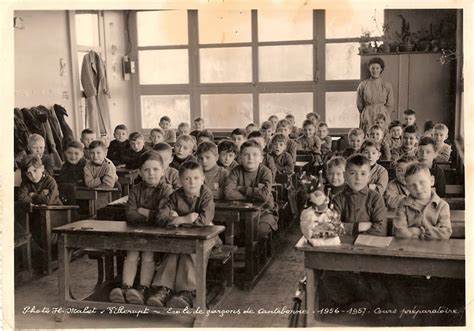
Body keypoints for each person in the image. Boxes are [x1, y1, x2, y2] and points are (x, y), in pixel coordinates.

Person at [147, 161, 219, 308]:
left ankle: (186, 292)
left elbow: (204, 220)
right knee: (173, 251)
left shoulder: (206, 194)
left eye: (196, 178)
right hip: (181, 236)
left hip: (207, 238)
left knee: (189, 251)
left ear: (203, 178)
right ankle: (164, 290)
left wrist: (174, 220)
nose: (192, 182)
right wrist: (183, 219)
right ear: (180, 180)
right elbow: (160, 218)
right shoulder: (174, 196)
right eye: (187, 179)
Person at [109, 151, 174, 304]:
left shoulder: (167, 190)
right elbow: (130, 215)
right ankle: (126, 287)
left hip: (158, 235)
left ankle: (143, 288)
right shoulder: (135, 189)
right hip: (136, 232)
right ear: (140, 172)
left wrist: (143, 211)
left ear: (163, 170)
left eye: (155, 169)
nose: (151, 173)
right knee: (131, 252)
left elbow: (161, 217)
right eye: (146, 170)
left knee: (148, 253)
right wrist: (151, 214)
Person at [224, 139, 278, 238]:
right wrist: (254, 196)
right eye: (246, 155)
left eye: (255, 154)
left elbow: (264, 196)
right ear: (240, 157)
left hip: (264, 212)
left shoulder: (265, 172)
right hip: (241, 212)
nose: (250, 158)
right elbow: (228, 193)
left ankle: (258, 251)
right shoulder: (235, 171)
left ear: (261, 158)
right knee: (231, 232)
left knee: (258, 230)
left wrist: (242, 188)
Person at [332, 154, 387, 236]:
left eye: (363, 174)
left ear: (369, 177)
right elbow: (333, 227)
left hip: (368, 246)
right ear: (345, 175)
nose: (358, 178)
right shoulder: (338, 199)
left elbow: (381, 229)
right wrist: (357, 227)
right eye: (353, 173)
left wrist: (347, 229)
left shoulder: (375, 198)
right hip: (343, 245)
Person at [394, 162, 451, 239]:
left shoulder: (442, 206)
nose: (418, 188)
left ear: (431, 181)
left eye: (422, 182)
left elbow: (445, 232)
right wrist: (434, 231)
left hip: (435, 248)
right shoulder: (403, 204)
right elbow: (398, 231)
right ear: (407, 187)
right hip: (409, 247)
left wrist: (417, 231)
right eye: (412, 185)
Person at [356, 57, 394, 134]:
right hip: (368, 114)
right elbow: (359, 103)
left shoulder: (387, 85)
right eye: (372, 68)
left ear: (381, 69)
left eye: (377, 68)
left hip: (382, 113)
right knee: (369, 135)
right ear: (369, 69)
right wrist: (365, 112)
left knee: (381, 135)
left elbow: (390, 104)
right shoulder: (363, 85)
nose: (375, 70)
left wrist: (384, 115)